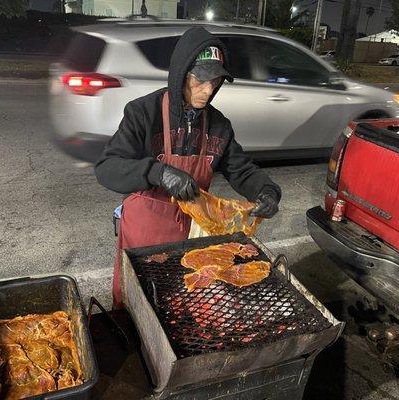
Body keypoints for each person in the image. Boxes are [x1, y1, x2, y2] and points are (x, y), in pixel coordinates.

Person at [95, 27, 282, 309]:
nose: (207, 90)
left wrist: (267, 192)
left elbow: (241, 170)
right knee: (137, 305)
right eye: (199, 80)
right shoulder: (143, 114)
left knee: (181, 305)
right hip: (145, 233)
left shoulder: (219, 126)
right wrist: (158, 172)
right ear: (180, 73)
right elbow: (107, 168)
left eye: (215, 81)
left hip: (191, 237)